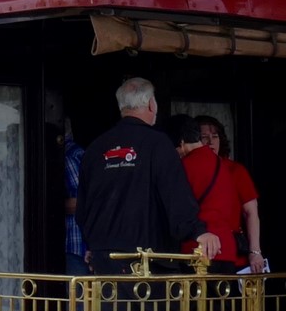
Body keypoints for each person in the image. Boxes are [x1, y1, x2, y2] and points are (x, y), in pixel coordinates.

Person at [77, 78, 219, 275]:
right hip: (149, 265)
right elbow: (175, 195)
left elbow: (83, 209)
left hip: (105, 265)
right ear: (152, 104)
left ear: (122, 106)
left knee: (110, 307)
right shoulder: (159, 144)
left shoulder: (95, 148)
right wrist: (198, 231)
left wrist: (94, 245)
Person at [166, 115, 243, 274]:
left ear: (181, 142)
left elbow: (176, 207)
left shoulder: (183, 166)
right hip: (226, 249)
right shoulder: (222, 165)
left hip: (196, 250)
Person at [196, 115, 264, 273]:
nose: (210, 141)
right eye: (204, 137)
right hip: (198, 251)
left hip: (233, 253)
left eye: (215, 136)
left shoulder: (236, 170)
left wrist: (255, 252)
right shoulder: (189, 167)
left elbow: (251, 212)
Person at [62, 123, 88, 276]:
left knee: (78, 297)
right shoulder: (80, 153)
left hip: (76, 243)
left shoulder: (69, 157)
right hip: (83, 244)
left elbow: (84, 202)